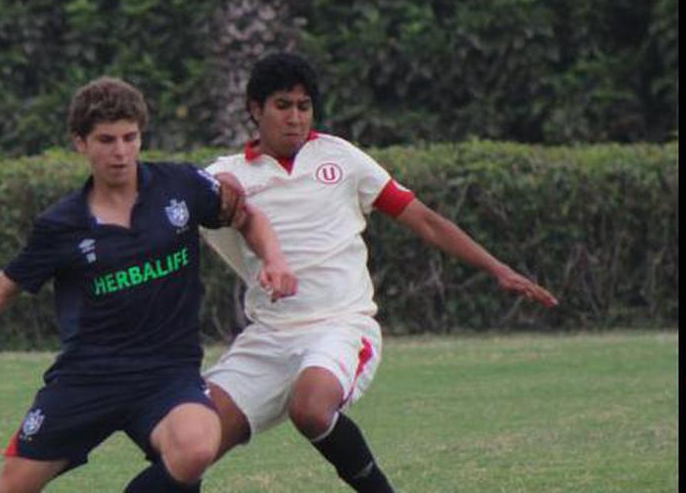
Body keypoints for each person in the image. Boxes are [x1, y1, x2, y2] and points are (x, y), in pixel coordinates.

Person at [0, 77, 297, 493]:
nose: (120, 152)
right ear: (81, 143)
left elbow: (246, 216)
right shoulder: (60, 225)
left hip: (166, 375)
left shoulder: (181, 187)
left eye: (129, 137)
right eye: (106, 140)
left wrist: (275, 259)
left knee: (196, 445)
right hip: (87, 379)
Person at [200, 52, 559, 492]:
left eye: (303, 105)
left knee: (311, 409)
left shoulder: (341, 158)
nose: (295, 117)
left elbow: (424, 219)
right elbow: (167, 212)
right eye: (282, 105)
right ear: (255, 109)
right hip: (268, 337)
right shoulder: (226, 176)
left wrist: (499, 269)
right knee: (190, 443)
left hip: (341, 327)